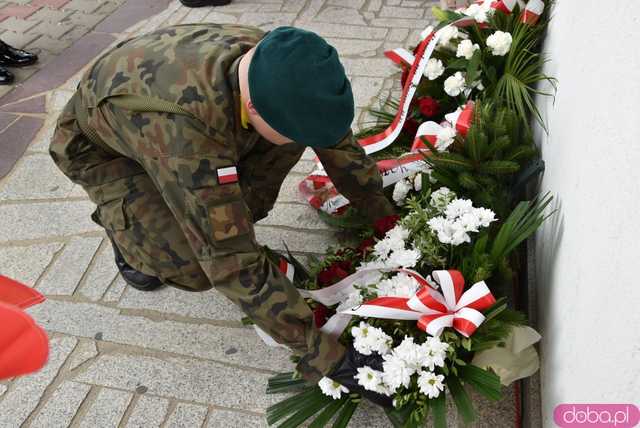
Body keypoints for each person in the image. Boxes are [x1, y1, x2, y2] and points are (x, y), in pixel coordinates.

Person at [49, 24, 395, 405]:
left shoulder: (283, 66)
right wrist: (327, 356)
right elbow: (227, 257)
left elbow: (336, 143)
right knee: (194, 265)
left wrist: (387, 222)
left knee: (260, 172)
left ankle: (184, 198)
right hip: (106, 152)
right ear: (252, 107)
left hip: (170, 121)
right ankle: (126, 229)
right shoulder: (186, 134)